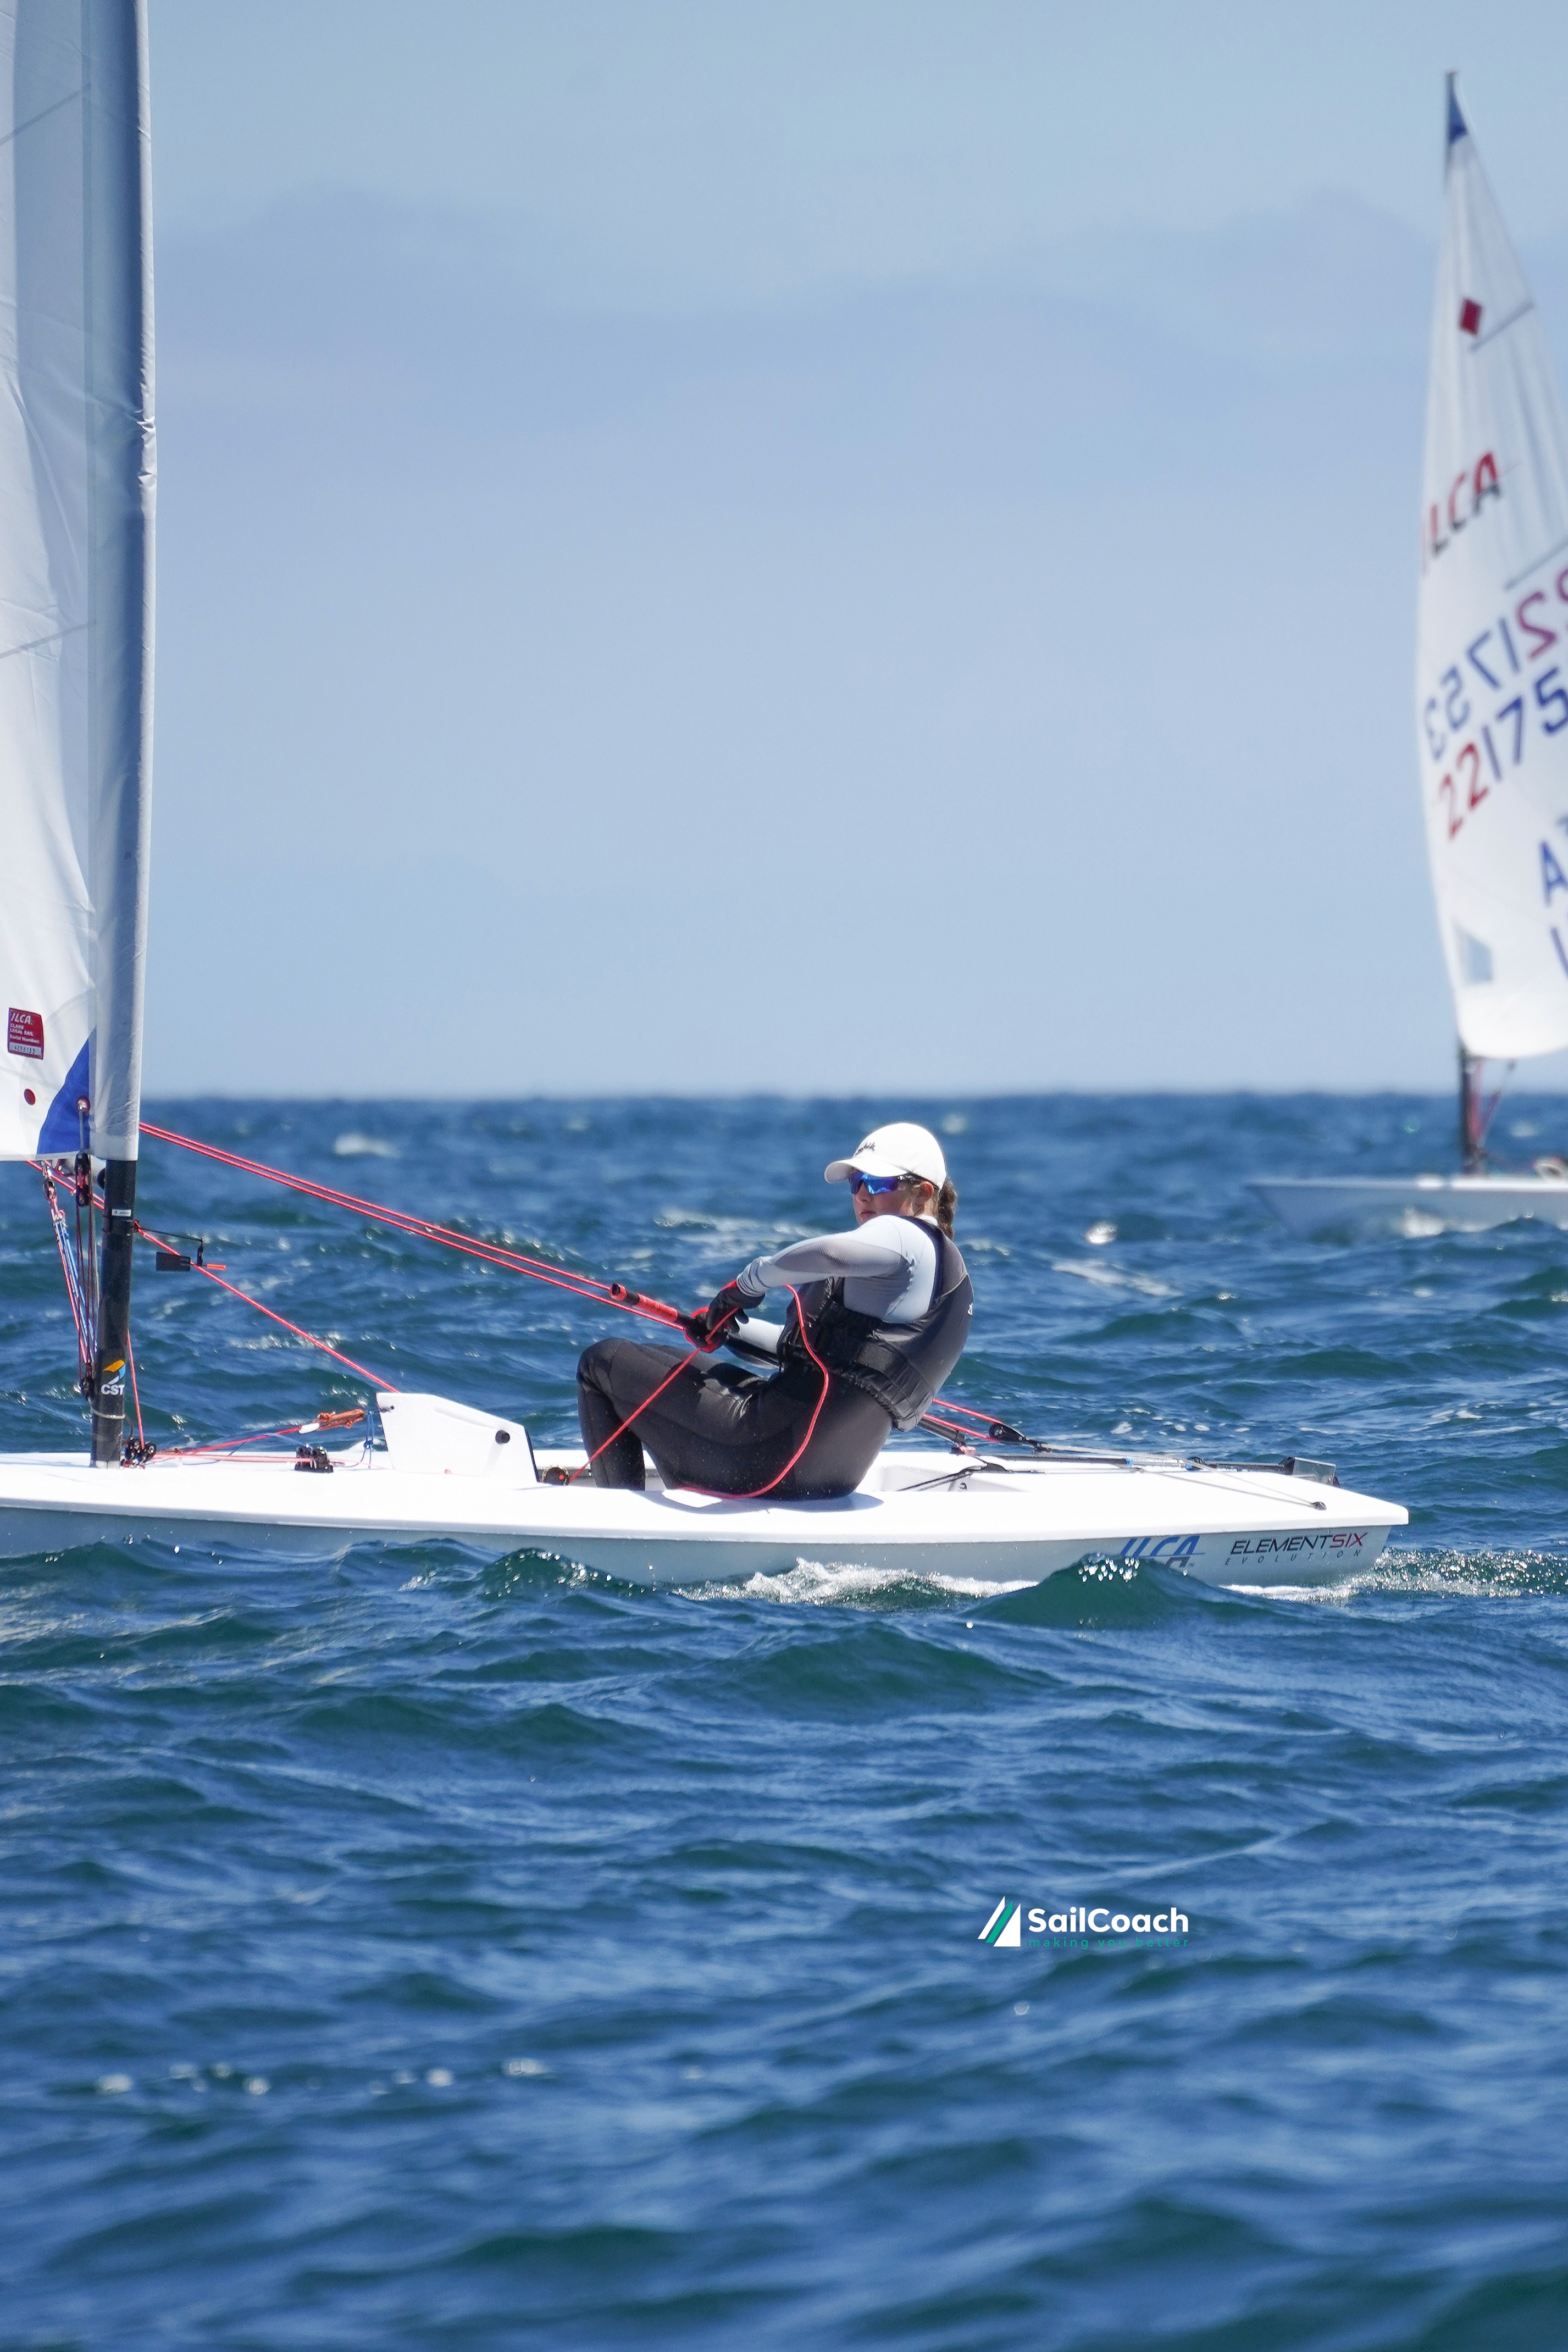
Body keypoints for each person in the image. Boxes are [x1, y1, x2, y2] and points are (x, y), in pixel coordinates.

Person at [575, 1122, 973, 1499]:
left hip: (767, 1457)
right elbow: (827, 1357)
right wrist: (728, 1328)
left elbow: (830, 1253)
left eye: (879, 1183)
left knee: (602, 1362)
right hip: (825, 1476)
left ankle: (620, 1522)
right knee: (658, 1359)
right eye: (856, 1183)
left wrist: (747, 1284)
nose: (863, 1195)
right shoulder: (937, 1280)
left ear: (923, 1193)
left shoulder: (905, 1235)